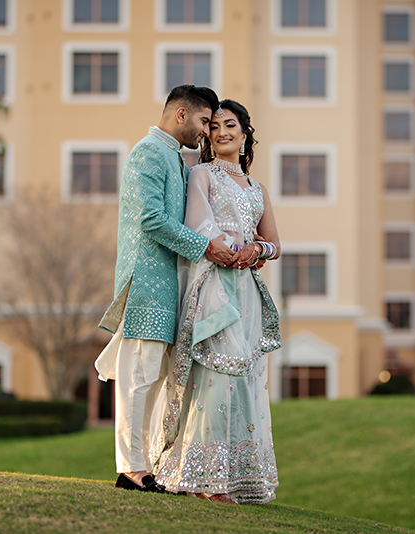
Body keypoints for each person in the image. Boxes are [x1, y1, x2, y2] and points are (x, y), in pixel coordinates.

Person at [95, 85, 237, 493]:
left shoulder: (175, 158)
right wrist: (205, 246)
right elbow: (151, 220)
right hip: (146, 285)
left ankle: (144, 465)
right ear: (180, 114)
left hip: (168, 287)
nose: (207, 131)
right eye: (204, 122)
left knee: (155, 378)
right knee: (138, 377)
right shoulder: (148, 153)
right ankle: (131, 469)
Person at [149, 99, 282, 504]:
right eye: (216, 126)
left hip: (247, 290)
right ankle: (199, 478)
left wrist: (257, 250)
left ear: (245, 134)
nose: (221, 132)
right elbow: (196, 224)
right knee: (215, 378)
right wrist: (225, 248)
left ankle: (235, 480)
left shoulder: (258, 188)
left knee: (247, 379)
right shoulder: (202, 174)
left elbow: (276, 243)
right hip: (213, 284)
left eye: (230, 125)